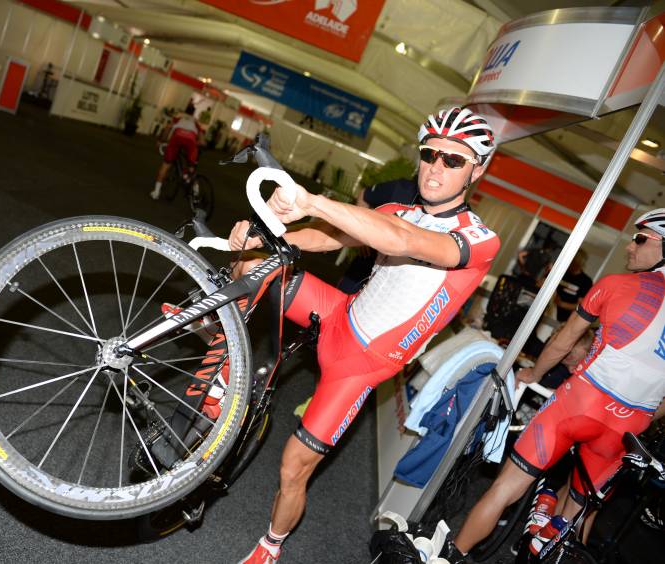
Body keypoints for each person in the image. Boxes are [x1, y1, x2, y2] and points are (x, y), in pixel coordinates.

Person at [230, 107, 500, 564]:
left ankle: (270, 547)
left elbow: (403, 240)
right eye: (430, 154)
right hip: (338, 313)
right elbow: (329, 236)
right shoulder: (396, 207)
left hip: (361, 366)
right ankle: (219, 372)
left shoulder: (478, 238)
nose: (436, 166)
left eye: (453, 160)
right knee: (253, 266)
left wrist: (312, 199)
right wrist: (265, 234)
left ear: (478, 168)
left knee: (294, 466)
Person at [450, 209, 665, 561]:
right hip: (629, 426)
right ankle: (545, 540)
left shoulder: (616, 284)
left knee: (505, 488)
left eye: (641, 239)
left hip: (581, 402)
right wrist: (641, 413)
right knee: (581, 511)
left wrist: (533, 374)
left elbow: (564, 342)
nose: (630, 246)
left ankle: (452, 555)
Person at [150, 102, 204, 200]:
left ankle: (156, 192)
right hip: (191, 141)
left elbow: (168, 128)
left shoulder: (178, 116)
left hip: (177, 138)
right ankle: (195, 189)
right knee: (191, 168)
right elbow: (201, 137)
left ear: (185, 110)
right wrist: (199, 144)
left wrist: (161, 140)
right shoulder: (195, 121)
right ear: (193, 113)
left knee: (165, 166)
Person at [552, 250, 593, 322]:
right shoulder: (562, 273)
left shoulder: (586, 281)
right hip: (551, 310)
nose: (572, 265)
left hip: (567, 319)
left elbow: (580, 305)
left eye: (575, 263)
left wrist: (561, 304)